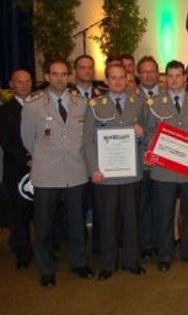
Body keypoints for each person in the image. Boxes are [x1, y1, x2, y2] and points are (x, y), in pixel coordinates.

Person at [21, 60, 92, 287]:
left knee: (76, 222)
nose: (60, 78)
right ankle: (46, 269)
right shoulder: (33, 105)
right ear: (47, 76)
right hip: (47, 173)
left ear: (69, 76)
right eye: (55, 74)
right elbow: (28, 139)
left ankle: (79, 262)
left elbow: (87, 136)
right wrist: (43, 157)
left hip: (76, 171)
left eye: (64, 74)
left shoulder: (82, 103)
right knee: (43, 225)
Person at [142, 60, 188, 272]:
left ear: (185, 78)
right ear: (166, 79)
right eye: (170, 76)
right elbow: (147, 134)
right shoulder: (153, 103)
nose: (174, 80)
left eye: (178, 75)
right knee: (164, 214)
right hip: (164, 171)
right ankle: (165, 254)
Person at [82, 63, 147, 281]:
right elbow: (88, 140)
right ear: (107, 81)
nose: (118, 82)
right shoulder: (94, 105)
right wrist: (93, 169)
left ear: (128, 79)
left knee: (132, 219)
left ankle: (132, 261)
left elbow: (149, 135)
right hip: (105, 174)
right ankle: (108, 264)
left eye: (122, 78)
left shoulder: (138, 103)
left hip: (132, 172)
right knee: (107, 221)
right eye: (114, 78)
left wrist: (141, 134)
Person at [0, 69, 33, 269]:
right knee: (19, 214)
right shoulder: (4, 111)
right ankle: (22, 253)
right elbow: (6, 143)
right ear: (11, 84)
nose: (24, 85)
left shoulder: (41, 107)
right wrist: (27, 160)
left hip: (43, 167)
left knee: (41, 213)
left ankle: (44, 249)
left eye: (28, 81)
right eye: (19, 82)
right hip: (17, 170)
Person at [135, 56, 161, 259]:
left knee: (162, 204)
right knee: (143, 205)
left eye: (152, 71)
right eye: (144, 71)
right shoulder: (130, 98)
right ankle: (146, 243)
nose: (148, 75)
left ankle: (162, 242)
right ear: (138, 74)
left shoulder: (168, 96)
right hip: (140, 161)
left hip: (163, 162)